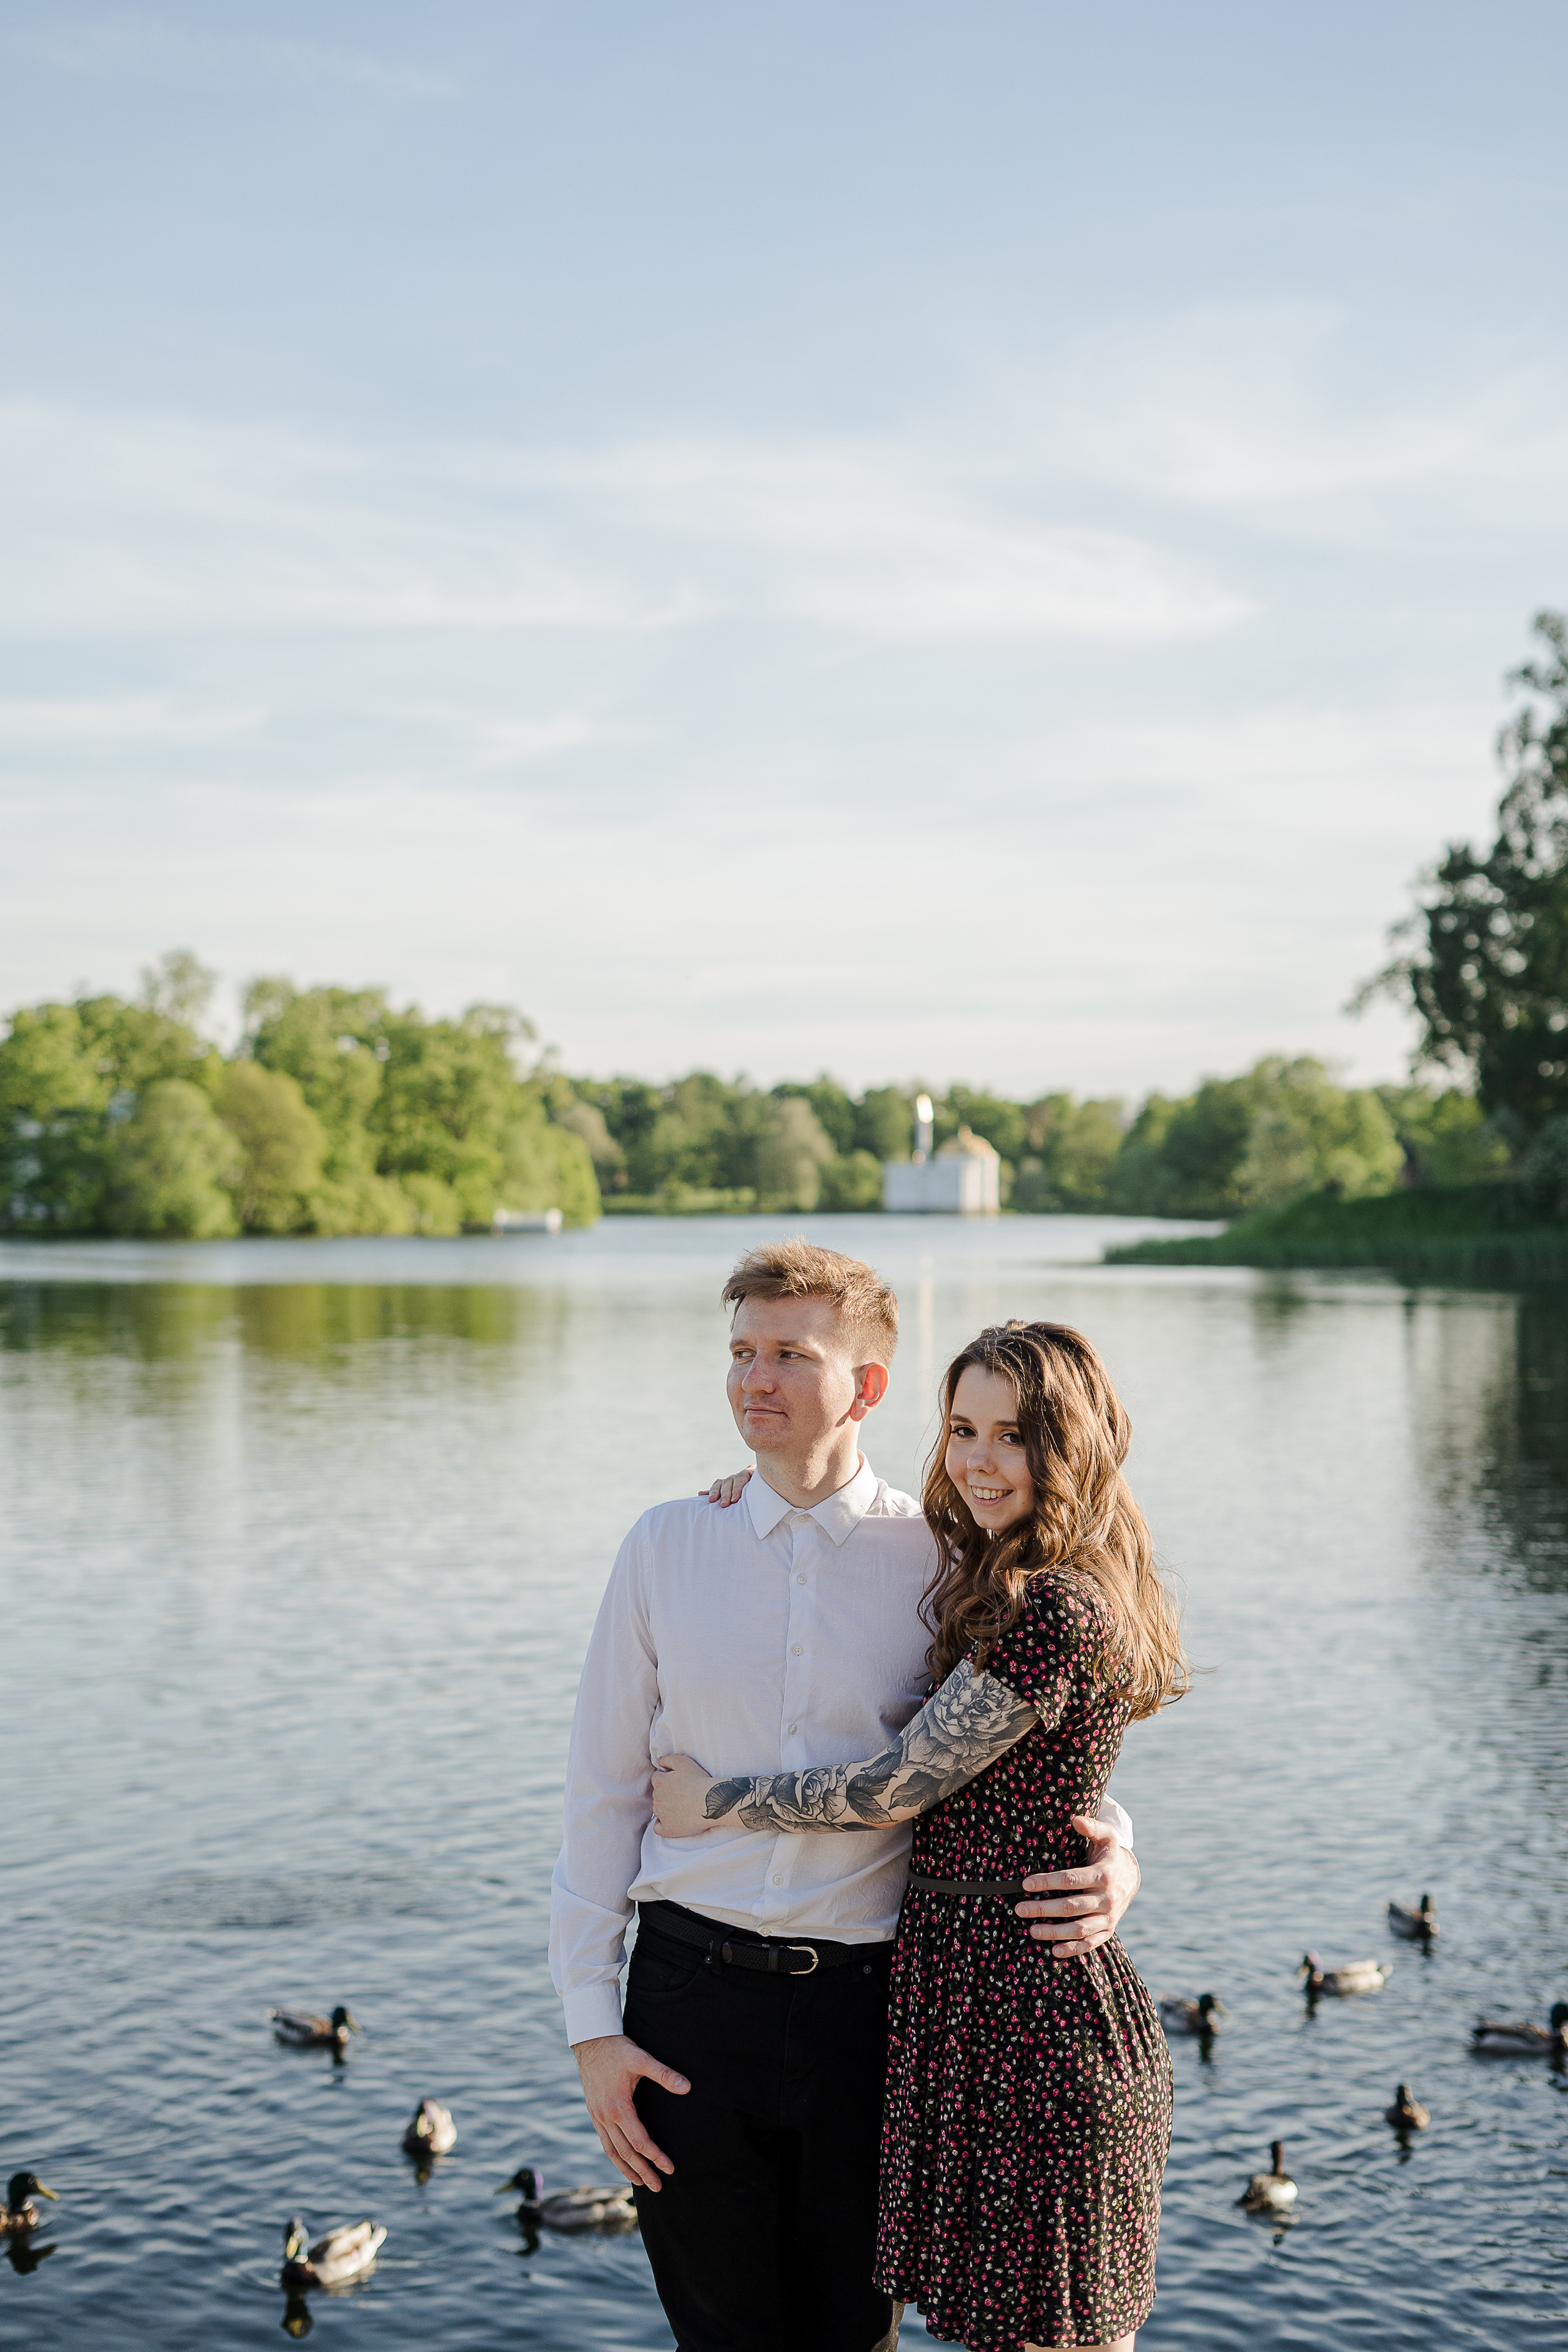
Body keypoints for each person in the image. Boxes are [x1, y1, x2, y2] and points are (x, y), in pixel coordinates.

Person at [549, 1242, 1142, 2352]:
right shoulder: (667, 1544)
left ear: (867, 1387)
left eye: (788, 1355)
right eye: (739, 1353)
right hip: (691, 2005)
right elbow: (600, 1796)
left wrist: (1116, 1847)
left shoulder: (955, 1562)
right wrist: (592, 2028)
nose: (751, 1381)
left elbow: (1041, 1752)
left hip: (876, 2015)